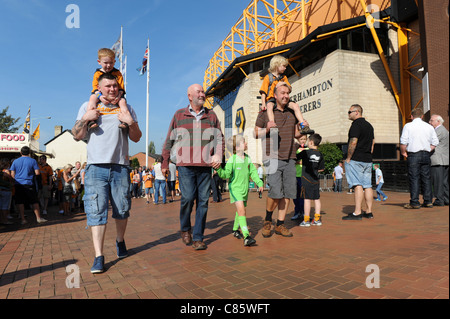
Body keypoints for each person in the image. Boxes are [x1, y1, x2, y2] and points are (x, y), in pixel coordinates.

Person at [72, 72, 142, 273]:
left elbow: (136, 138)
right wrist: (86, 118)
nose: (112, 89)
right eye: (108, 86)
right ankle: (99, 256)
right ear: (99, 88)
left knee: (122, 209)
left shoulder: (127, 108)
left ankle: (120, 241)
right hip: (95, 167)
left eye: (115, 86)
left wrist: (129, 121)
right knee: (96, 211)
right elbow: (77, 135)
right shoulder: (88, 106)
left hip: (120, 166)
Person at [161, 83, 224, 251]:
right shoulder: (179, 115)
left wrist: (218, 154)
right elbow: (169, 140)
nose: (202, 94)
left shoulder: (212, 116)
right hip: (185, 165)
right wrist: (165, 162)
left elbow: (219, 139)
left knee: (203, 202)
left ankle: (198, 237)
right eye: (199, 91)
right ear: (190, 96)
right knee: (188, 198)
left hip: (205, 165)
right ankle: (185, 228)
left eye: (203, 91)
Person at [254, 81, 302, 237]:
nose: (286, 96)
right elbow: (256, 133)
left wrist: (304, 127)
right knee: (275, 191)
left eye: (287, 93)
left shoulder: (291, 112)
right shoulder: (265, 113)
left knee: (288, 193)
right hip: (272, 157)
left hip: (290, 157)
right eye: (282, 93)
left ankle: (280, 224)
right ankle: (268, 220)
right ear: (275, 95)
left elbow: (296, 134)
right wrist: (267, 128)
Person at [215, 135, 263, 246]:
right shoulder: (232, 159)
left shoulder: (248, 158)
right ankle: (246, 236)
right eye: (243, 142)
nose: (246, 143)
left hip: (244, 189)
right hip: (235, 189)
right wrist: (218, 169)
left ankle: (235, 229)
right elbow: (225, 174)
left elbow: (253, 173)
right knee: (242, 211)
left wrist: (259, 183)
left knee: (240, 210)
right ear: (237, 147)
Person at [259, 55, 313, 135]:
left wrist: (283, 83)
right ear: (277, 65)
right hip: (272, 99)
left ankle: (303, 125)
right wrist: (264, 103)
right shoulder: (268, 77)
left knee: (295, 106)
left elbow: (290, 89)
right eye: (283, 66)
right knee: (269, 106)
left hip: (284, 99)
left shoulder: (284, 77)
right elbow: (263, 92)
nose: (285, 68)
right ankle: (273, 126)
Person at [400, 108, 439, 209]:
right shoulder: (429, 127)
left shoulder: (408, 126)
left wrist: (403, 152)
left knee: (414, 178)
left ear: (412, 117)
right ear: (422, 116)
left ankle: (415, 202)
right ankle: (428, 201)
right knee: (426, 178)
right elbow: (435, 142)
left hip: (413, 154)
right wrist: (428, 149)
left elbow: (403, 141)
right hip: (426, 154)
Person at [342, 104, 375, 220]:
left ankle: (357, 212)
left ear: (357, 112)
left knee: (357, 185)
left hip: (356, 158)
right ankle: (369, 212)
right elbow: (372, 143)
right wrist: (368, 155)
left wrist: (348, 157)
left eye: (349, 111)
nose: (348, 114)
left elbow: (353, 142)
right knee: (368, 185)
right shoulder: (369, 126)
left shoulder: (356, 125)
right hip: (367, 159)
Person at [87, 48, 128, 130]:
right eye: (106, 63)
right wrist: (100, 96)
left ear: (114, 62)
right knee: (92, 99)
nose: (109, 65)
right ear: (99, 62)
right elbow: (95, 87)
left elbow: (121, 88)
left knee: (123, 102)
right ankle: (91, 120)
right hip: (98, 94)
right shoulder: (97, 73)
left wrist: (118, 97)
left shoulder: (118, 73)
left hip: (116, 94)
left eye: (111, 63)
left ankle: (125, 120)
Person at [10, 146, 47, 225]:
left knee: (20, 201)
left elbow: (12, 174)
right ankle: (38, 218)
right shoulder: (33, 161)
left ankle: (23, 219)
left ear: (21, 152)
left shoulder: (15, 161)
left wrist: (15, 180)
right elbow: (37, 173)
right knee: (34, 201)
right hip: (29, 183)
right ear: (29, 153)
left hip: (18, 184)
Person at [297, 134, 325, 226]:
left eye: (308, 141)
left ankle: (306, 220)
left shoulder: (306, 152)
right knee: (317, 199)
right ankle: (317, 219)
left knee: (307, 199)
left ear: (311, 142)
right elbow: (321, 169)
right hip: (315, 180)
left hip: (306, 179)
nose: (307, 143)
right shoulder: (320, 154)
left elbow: (295, 157)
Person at [429, 114, 449, 206]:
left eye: (432, 120)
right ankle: (446, 199)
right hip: (444, 160)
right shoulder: (444, 130)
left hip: (438, 160)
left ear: (438, 121)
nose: (430, 122)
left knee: (438, 181)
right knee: (444, 181)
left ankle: (439, 200)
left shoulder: (439, 130)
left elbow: (431, 141)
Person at [291, 134, 307, 221]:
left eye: (304, 139)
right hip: (295, 175)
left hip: (304, 176)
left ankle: (304, 212)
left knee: (303, 195)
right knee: (295, 195)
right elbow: (292, 160)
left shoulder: (308, 149)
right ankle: (297, 212)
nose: (303, 141)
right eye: (301, 139)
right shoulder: (295, 149)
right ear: (298, 139)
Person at [0, 158, 14, 226]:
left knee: (1, 206)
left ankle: (2, 220)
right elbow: (11, 181)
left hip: (2, 190)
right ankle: (5, 220)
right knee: (5, 206)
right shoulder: (6, 172)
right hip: (6, 190)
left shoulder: (1, 171)